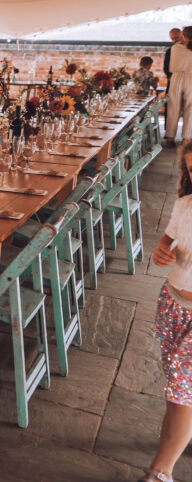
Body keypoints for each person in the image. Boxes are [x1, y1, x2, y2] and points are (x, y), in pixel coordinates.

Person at [145, 140, 192, 482]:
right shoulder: (185, 204)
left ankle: (160, 473)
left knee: (180, 394)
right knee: (180, 387)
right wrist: (161, 252)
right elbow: (168, 239)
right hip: (173, 305)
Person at [164, 26, 192, 146]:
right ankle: (187, 138)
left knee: (173, 107)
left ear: (183, 36)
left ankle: (170, 137)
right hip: (190, 77)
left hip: (175, 77)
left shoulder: (175, 48)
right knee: (190, 109)